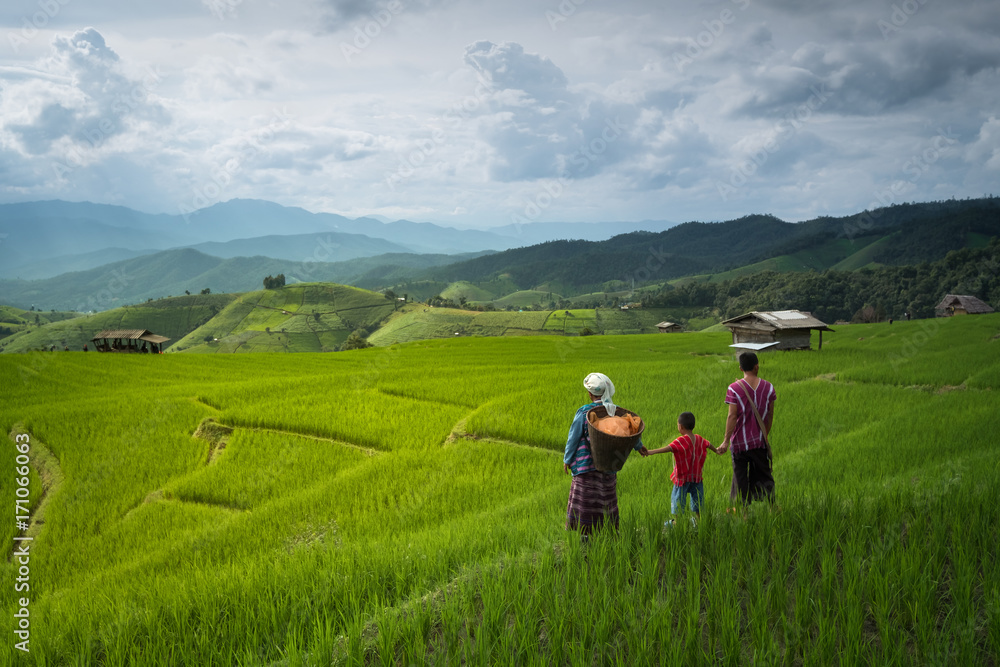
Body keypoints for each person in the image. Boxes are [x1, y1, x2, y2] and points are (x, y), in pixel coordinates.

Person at [564, 372, 648, 541]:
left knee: (586, 500)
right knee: (605, 498)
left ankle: (585, 536)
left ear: (590, 394)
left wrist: (567, 459)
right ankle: (610, 532)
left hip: (586, 466)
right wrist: (639, 447)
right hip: (609, 466)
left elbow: (573, 437)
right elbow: (628, 432)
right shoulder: (615, 412)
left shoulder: (584, 413)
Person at [719, 352, 776, 506]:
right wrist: (764, 435)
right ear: (757, 367)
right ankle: (771, 508)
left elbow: (732, 416)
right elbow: (770, 415)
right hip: (759, 442)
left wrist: (725, 441)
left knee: (740, 479)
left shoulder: (734, 388)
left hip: (739, 444)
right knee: (765, 477)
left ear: (740, 368)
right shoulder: (769, 387)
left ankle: (743, 513)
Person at [646, 411, 725, 522]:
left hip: (683, 478)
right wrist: (716, 450)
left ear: (681, 426)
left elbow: (669, 448)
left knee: (678, 502)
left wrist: (651, 452)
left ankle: (678, 523)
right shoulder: (699, 439)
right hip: (696, 477)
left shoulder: (682, 440)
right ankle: (700, 522)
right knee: (698, 500)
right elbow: (708, 444)